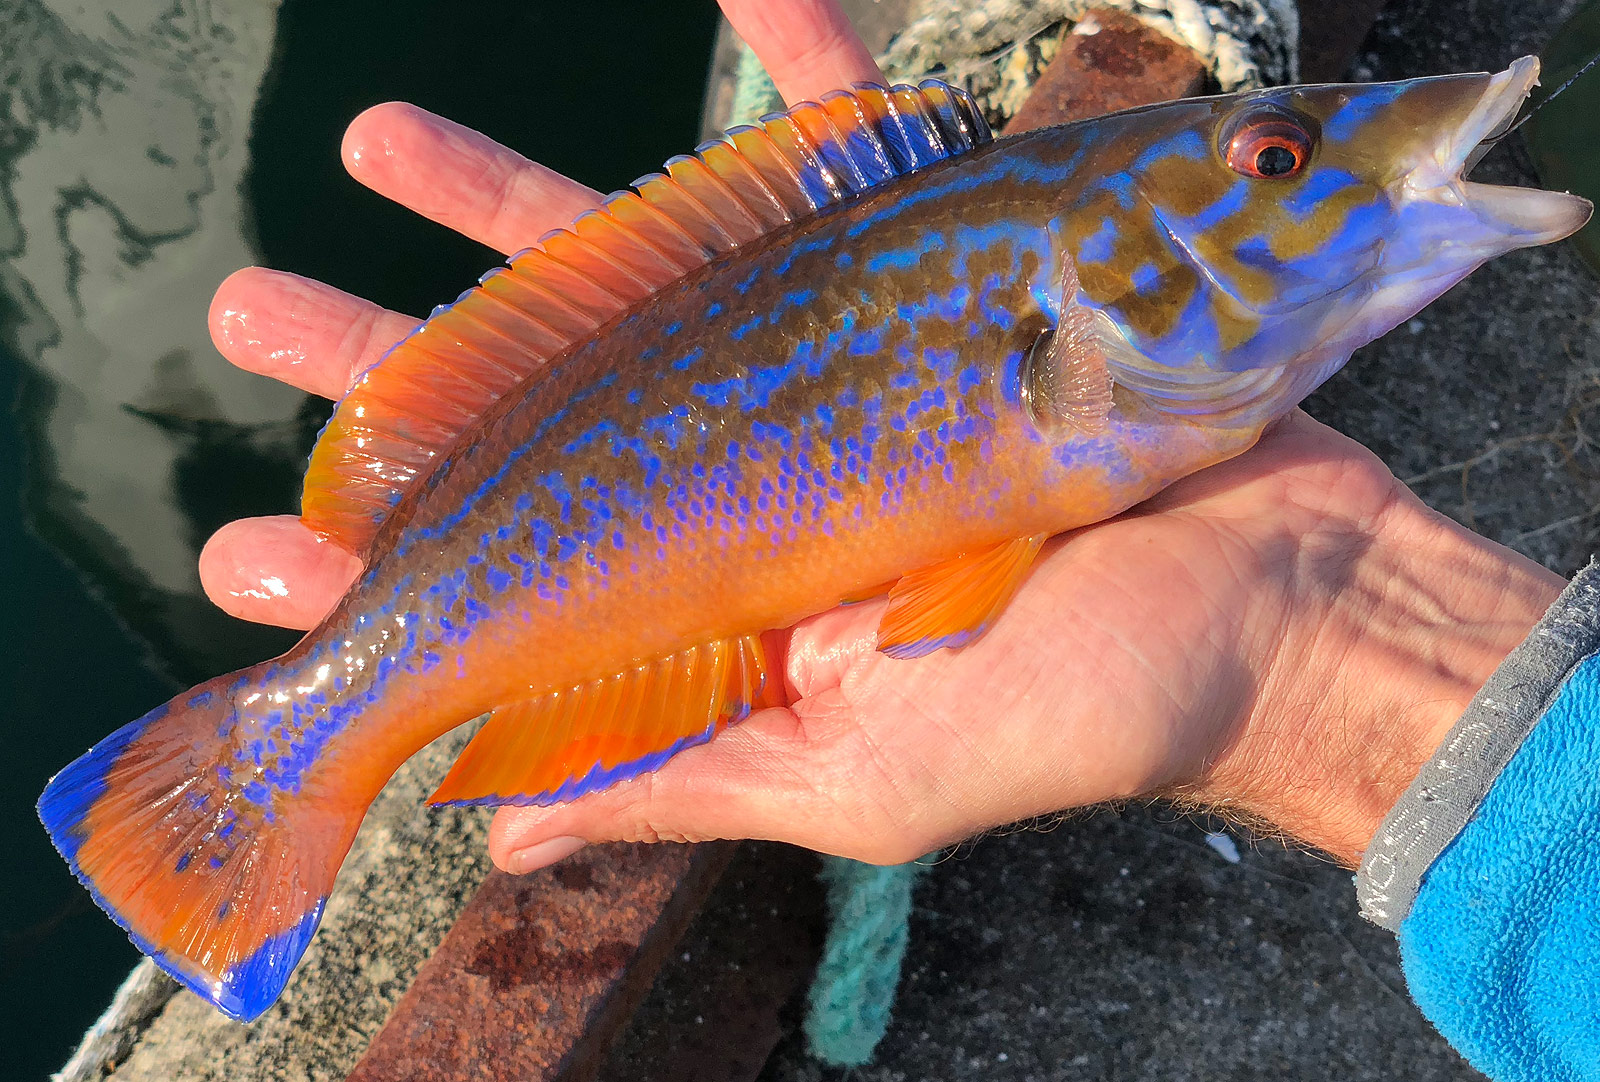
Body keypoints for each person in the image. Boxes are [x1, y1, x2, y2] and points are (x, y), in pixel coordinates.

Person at [198, 1, 1597, 1076]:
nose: (1302, 167)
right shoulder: (1084, 351)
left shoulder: (1110, 354)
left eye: (1276, 157)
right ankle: (285, 760)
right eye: (1278, 160)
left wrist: (1311, 656)